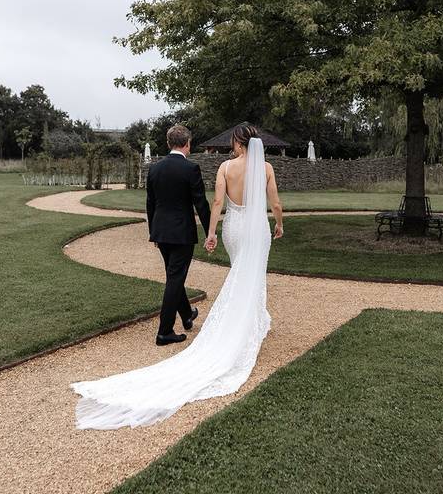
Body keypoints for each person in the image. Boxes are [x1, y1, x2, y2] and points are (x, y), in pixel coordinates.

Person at [70, 123, 283, 429]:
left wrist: (204, 232)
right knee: (199, 277)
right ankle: (169, 328)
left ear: (238, 144)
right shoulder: (252, 168)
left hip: (192, 230)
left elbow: (184, 203)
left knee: (191, 275)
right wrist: (275, 224)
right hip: (224, 231)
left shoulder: (159, 169)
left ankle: (188, 314)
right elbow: (247, 202)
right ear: (187, 144)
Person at [145, 124, 211, 346]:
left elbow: (150, 204)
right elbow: (200, 204)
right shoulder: (191, 169)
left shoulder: (154, 169)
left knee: (175, 276)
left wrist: (153, 232)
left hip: (162, 232)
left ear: (168, 143)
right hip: (182, 233)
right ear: (187, 143)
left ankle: (186, 314)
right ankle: (164, 331)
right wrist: (210, 231)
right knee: (175, 278)